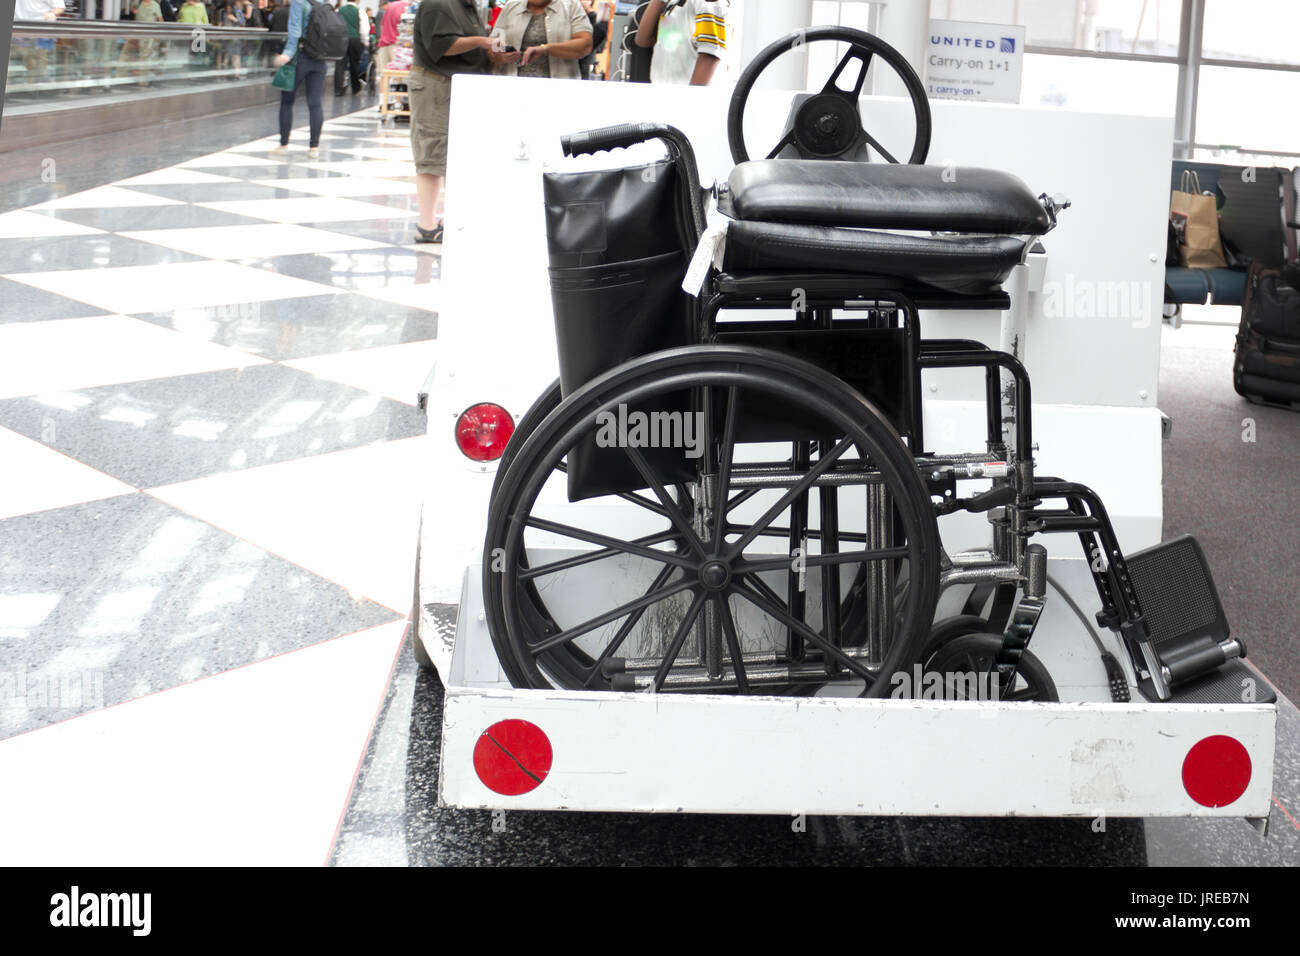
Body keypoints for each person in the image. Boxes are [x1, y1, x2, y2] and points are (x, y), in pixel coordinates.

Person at [409, 0, 500, 243]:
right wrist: (483, 42)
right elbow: (442, 45)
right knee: (432, 151)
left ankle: (444, 220)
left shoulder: (466, 6)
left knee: (451, 154)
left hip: (456, 85)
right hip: (436, 85)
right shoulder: (439, 4)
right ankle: (425, 226)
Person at [273, 0, 328, 159]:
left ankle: (283, 144)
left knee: (287, 101)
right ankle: (314, 148)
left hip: (300, 57)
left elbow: (295, 30)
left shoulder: (298, 2)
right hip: (320, 58)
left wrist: (287, 54)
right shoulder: (322, 2)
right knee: (315, 103)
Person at [489, 0, 591, 81]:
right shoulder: (510, 7)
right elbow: (492, 47)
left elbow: (585, 45)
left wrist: (545, 49)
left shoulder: (572, 6)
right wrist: (499, 56)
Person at [634, 0, 726, 86]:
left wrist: (688, 99)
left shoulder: (708, 3)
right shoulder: (673, 3)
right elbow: (643, 40)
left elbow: (709, 56)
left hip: (685, 96)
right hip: (662, 89)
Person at [334, 0, 369, 95]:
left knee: (340, 65)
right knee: (355, 64)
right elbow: (364, 29)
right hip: (355, 39)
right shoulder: (360, 11)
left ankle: (338, 89)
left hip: (341, 39)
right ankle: (355, 87)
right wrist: (365, 41)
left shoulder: (338, 10)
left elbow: (335, 25)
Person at [576, 0, 607, 79]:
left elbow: (600, 47)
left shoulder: (595, 19)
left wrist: (590, 12)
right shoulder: (574, 18)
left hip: (586, 65)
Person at [375, 0, 407, 74]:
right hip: (396, 45)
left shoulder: (390, 6)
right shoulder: (405, 7)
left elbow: (382, 26)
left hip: (383, 44)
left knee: (383, 75)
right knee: (396, 76)